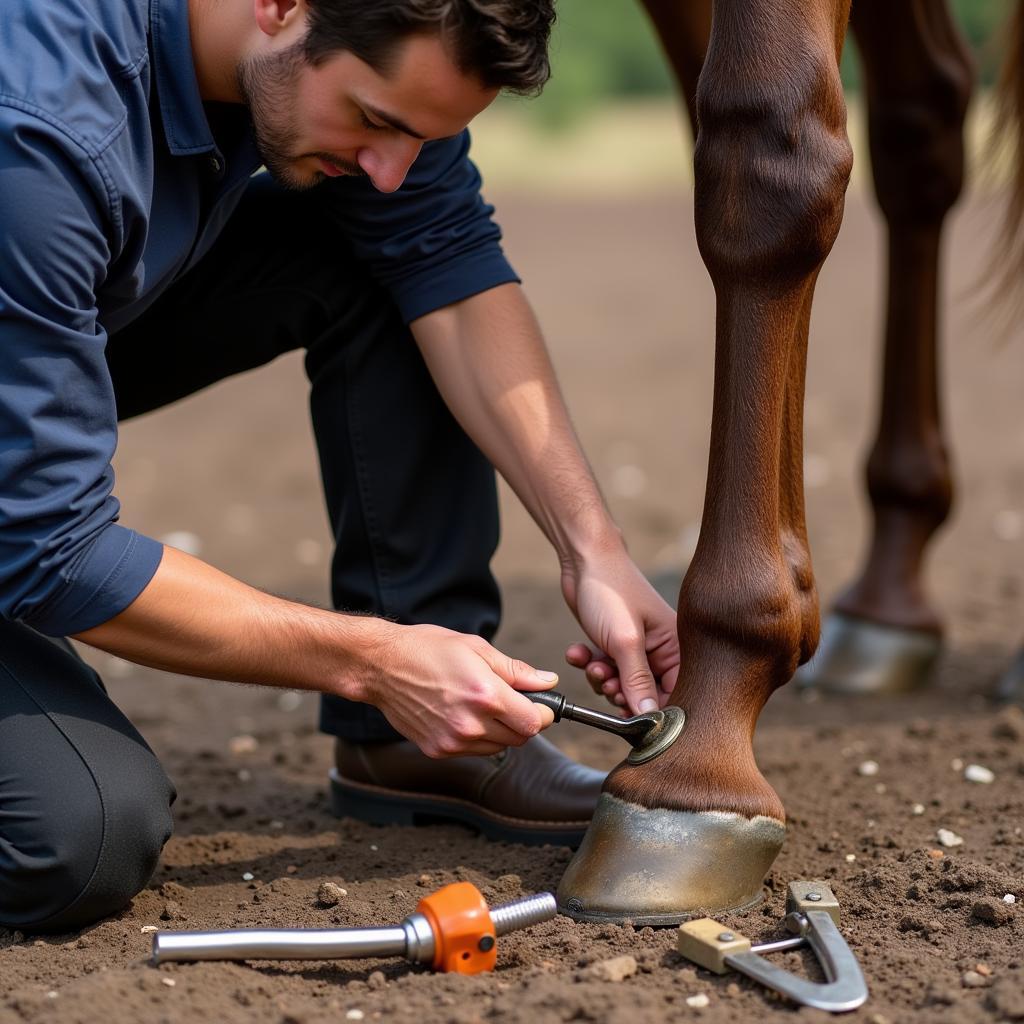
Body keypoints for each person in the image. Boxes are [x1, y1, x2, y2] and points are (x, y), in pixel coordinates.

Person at [0, 0, 680, 934]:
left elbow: (445, 258)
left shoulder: (363, 59)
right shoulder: (36, 137)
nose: (392, 169)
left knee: (373, 247)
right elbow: (49, 548)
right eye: (376, 122)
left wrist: (592, 550)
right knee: (74, 838)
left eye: (421, 137)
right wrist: (373, 659)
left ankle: (415, 750)